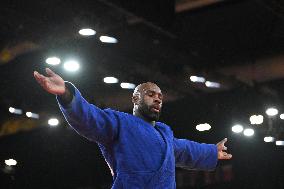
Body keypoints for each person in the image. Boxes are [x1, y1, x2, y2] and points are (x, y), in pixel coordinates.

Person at [34, 68, 232, 189]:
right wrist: (67, 94)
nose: (157, 99)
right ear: (136, 98)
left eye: (160, 97)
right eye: (151, 94)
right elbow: (91, 118)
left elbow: (187, 150)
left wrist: (211, 151)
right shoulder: (120, 123)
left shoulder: (165, 136)